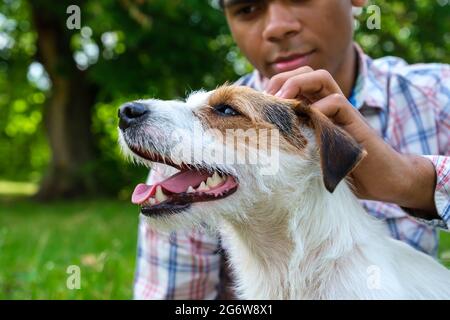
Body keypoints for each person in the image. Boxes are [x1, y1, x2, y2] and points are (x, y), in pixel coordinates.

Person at [133, 0, 450, 299]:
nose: (277, 27)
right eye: (248, 8)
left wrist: (412, 180)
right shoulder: (183, 157)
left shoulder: (437, 95)